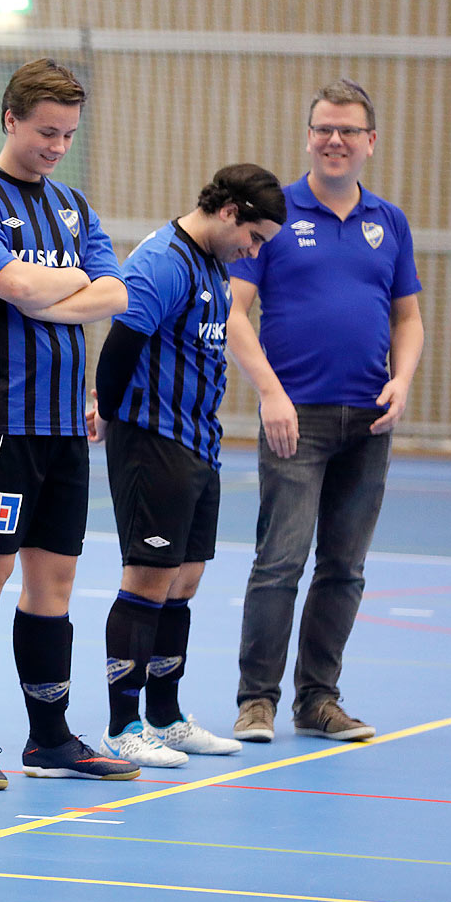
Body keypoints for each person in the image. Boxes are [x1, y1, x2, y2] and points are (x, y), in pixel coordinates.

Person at [0, 58, 135, 786]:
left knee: (53, 584)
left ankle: (49, 737)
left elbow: (116, 291)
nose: (56, 145)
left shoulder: (74, 204)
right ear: (11, 119)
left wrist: (53, 294)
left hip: (63, 430)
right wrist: (60, 285)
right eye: (45, 131)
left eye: (67, 134)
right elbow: (10, 284)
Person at [229, 79, 424, 744]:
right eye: (323, 129)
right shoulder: (273, 212)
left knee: (344, 567)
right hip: (297, 419)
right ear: (308, 136)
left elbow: (409, 318)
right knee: (280, 561)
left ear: (370, 141)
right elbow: (233, 316)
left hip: (370, 421)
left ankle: (320, 700)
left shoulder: (388, 222)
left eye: (348, 130)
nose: (334, 140)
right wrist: (272, 394)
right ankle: (257, 701)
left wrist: (402, 380)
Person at [87, 164, 285, 769]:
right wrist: (115, 422)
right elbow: (119, 350)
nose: (254, 252)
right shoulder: (163, 261)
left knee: (186, 577)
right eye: (254, 238)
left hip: (199, 440)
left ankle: (167, 717)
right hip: (153, 439)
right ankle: (123, 724)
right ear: (231, 213)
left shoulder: (213, 262)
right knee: (147, 576)